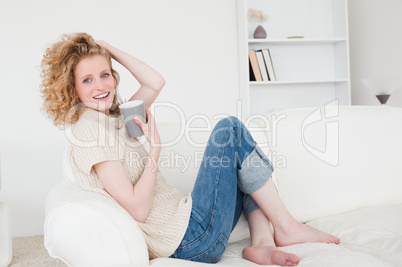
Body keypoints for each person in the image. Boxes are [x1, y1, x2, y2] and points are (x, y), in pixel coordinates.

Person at [40, 32, 339, 266]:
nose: (100, 85)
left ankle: (262, 243)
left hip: (192, 227)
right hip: (190, 239)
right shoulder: (89, 128)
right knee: (230, 130)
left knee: (241, 163)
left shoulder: (116, 118)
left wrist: (108, 49)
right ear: (72, 88)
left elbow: (155, 82)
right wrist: (154, 151)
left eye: (105, 74)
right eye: (87, 79)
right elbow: (137, 210)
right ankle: (286, 227)